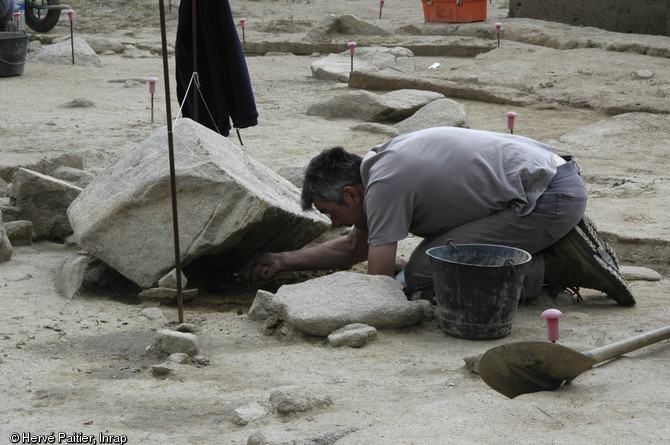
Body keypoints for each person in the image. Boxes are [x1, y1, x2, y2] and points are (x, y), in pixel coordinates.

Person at [242, 126, 635, 306]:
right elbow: (354, 247)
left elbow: (377, 281)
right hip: (547, 180)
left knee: (425, 274)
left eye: (333, 213)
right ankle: (550, 240)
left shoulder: (385, 187)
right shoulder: (379, 164)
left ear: (350, 193)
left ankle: (557, 268)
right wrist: (283, 261)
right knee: (419, 263)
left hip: (549, 197)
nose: (335, 224)